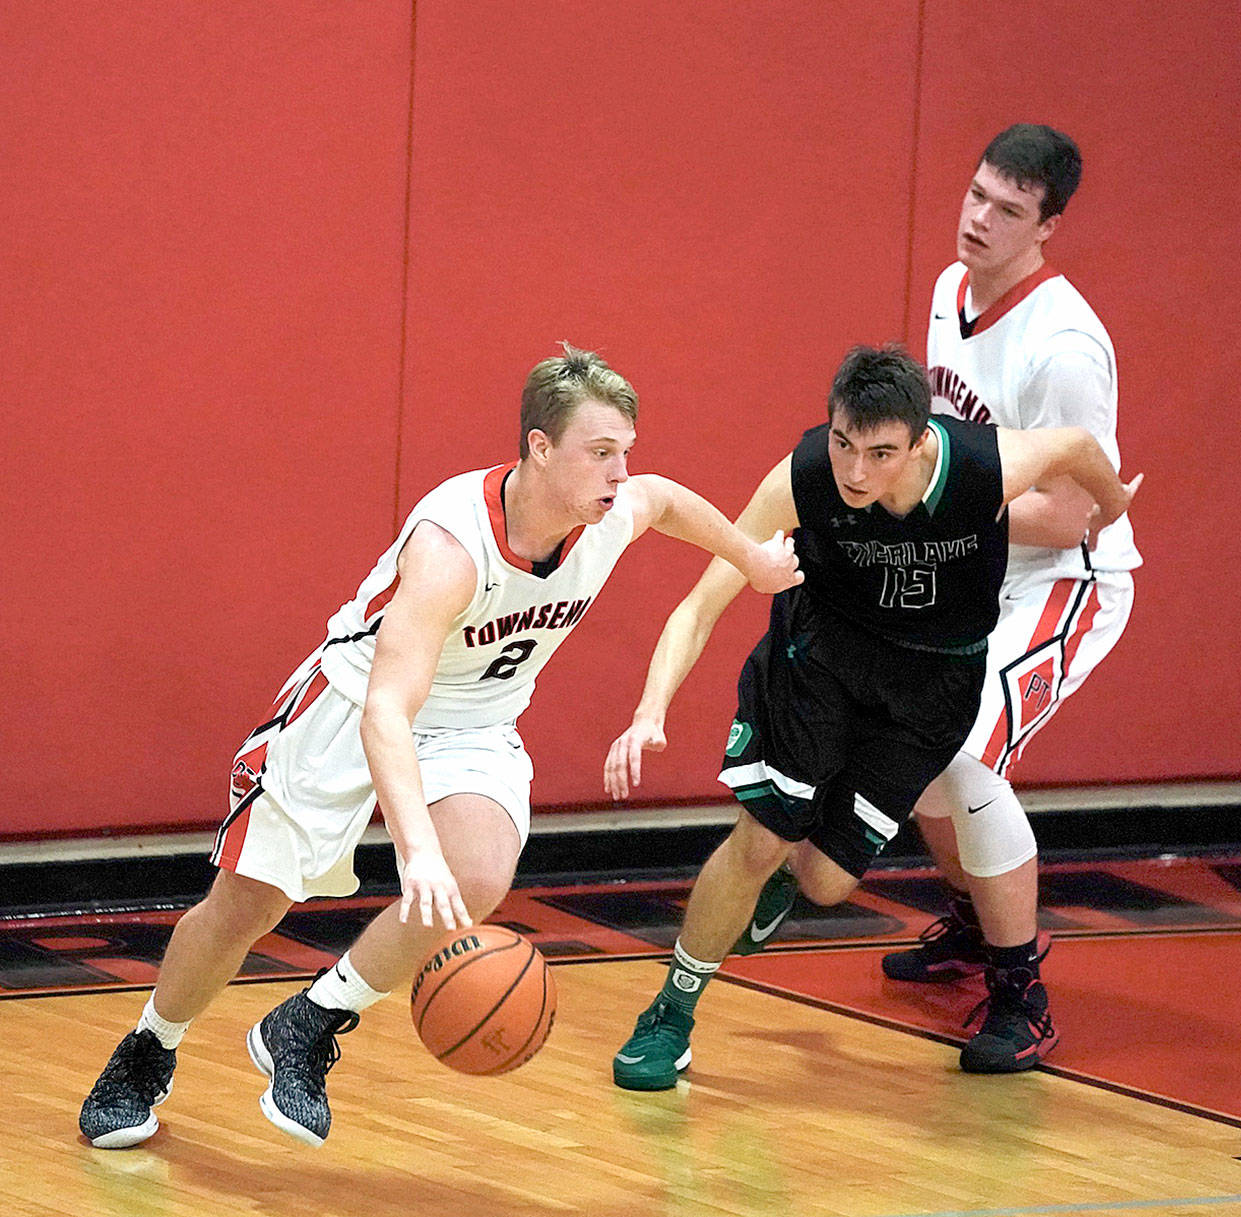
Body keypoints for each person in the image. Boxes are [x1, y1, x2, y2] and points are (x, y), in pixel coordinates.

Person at [78, 343, 802, 1149]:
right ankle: (149, 1046)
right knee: (251, 905)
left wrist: (753, 559)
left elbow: (666, 501)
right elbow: (386, 708)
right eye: (601, 453)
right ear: (539, 447)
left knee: (478, 875)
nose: (620, 472)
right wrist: (415, 846)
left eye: (624, 451)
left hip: (474, 721)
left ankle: (311, 1021)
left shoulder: (611, 513)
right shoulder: (454, 546)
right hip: (353, 703)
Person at [604, 344, 1140, 1091]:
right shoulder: (805, 480)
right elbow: (700, 604)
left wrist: (1112, 512)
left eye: (880, 452)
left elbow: (1081, 448)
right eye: (844, 443)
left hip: (929, 685)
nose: (856, 471)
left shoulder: (985, 469)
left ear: (922, 441)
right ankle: (671, 1012)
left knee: (824, 880)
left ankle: (792, 870)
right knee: (762, 835)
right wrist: (648, 710)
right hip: (820, 657)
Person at [874, 124, 1141, 1072]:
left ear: (1049, 227)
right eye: (976, 193)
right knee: (910, 736)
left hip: (1068, 581)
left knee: (967, 755)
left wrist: (930, 497)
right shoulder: (952, 291)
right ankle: (975, 917)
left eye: (1008, 210)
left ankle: (1022, 990)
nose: (979, 219)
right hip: (982, 565)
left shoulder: (1066, 342)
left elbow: (1073, 511)